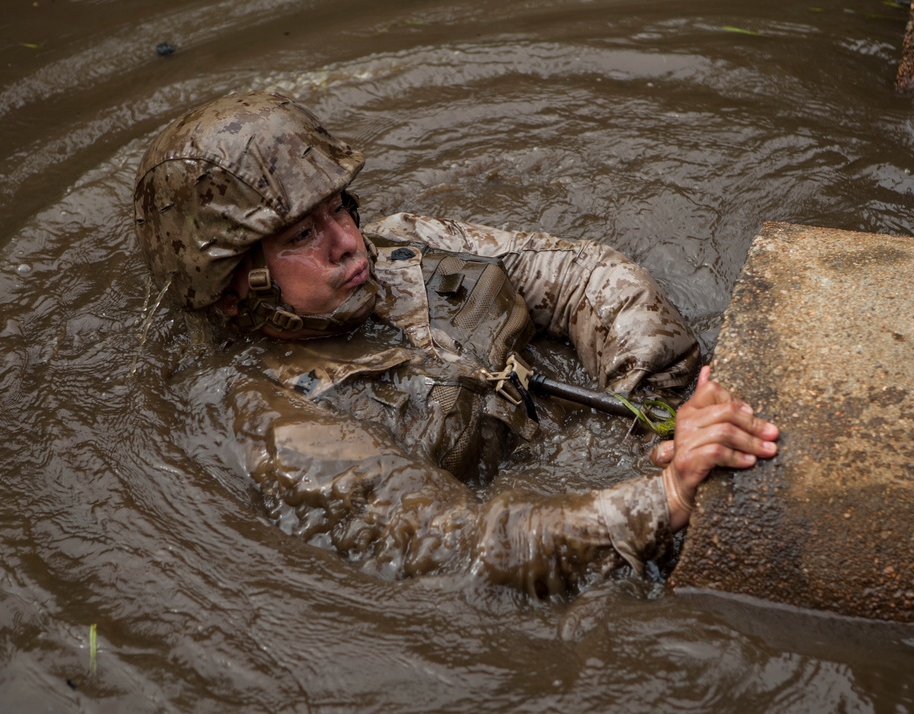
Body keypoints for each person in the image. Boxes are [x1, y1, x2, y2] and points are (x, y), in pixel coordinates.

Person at [133, 91, 778, 597]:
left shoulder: (405, 242)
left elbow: (589, 277)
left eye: (338, 208)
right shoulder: (276, 419)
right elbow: (461, 546)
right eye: (302, 236)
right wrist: (662, 499)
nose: (349, 243)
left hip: (599, 460)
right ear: (232, 287)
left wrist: (659, 419)